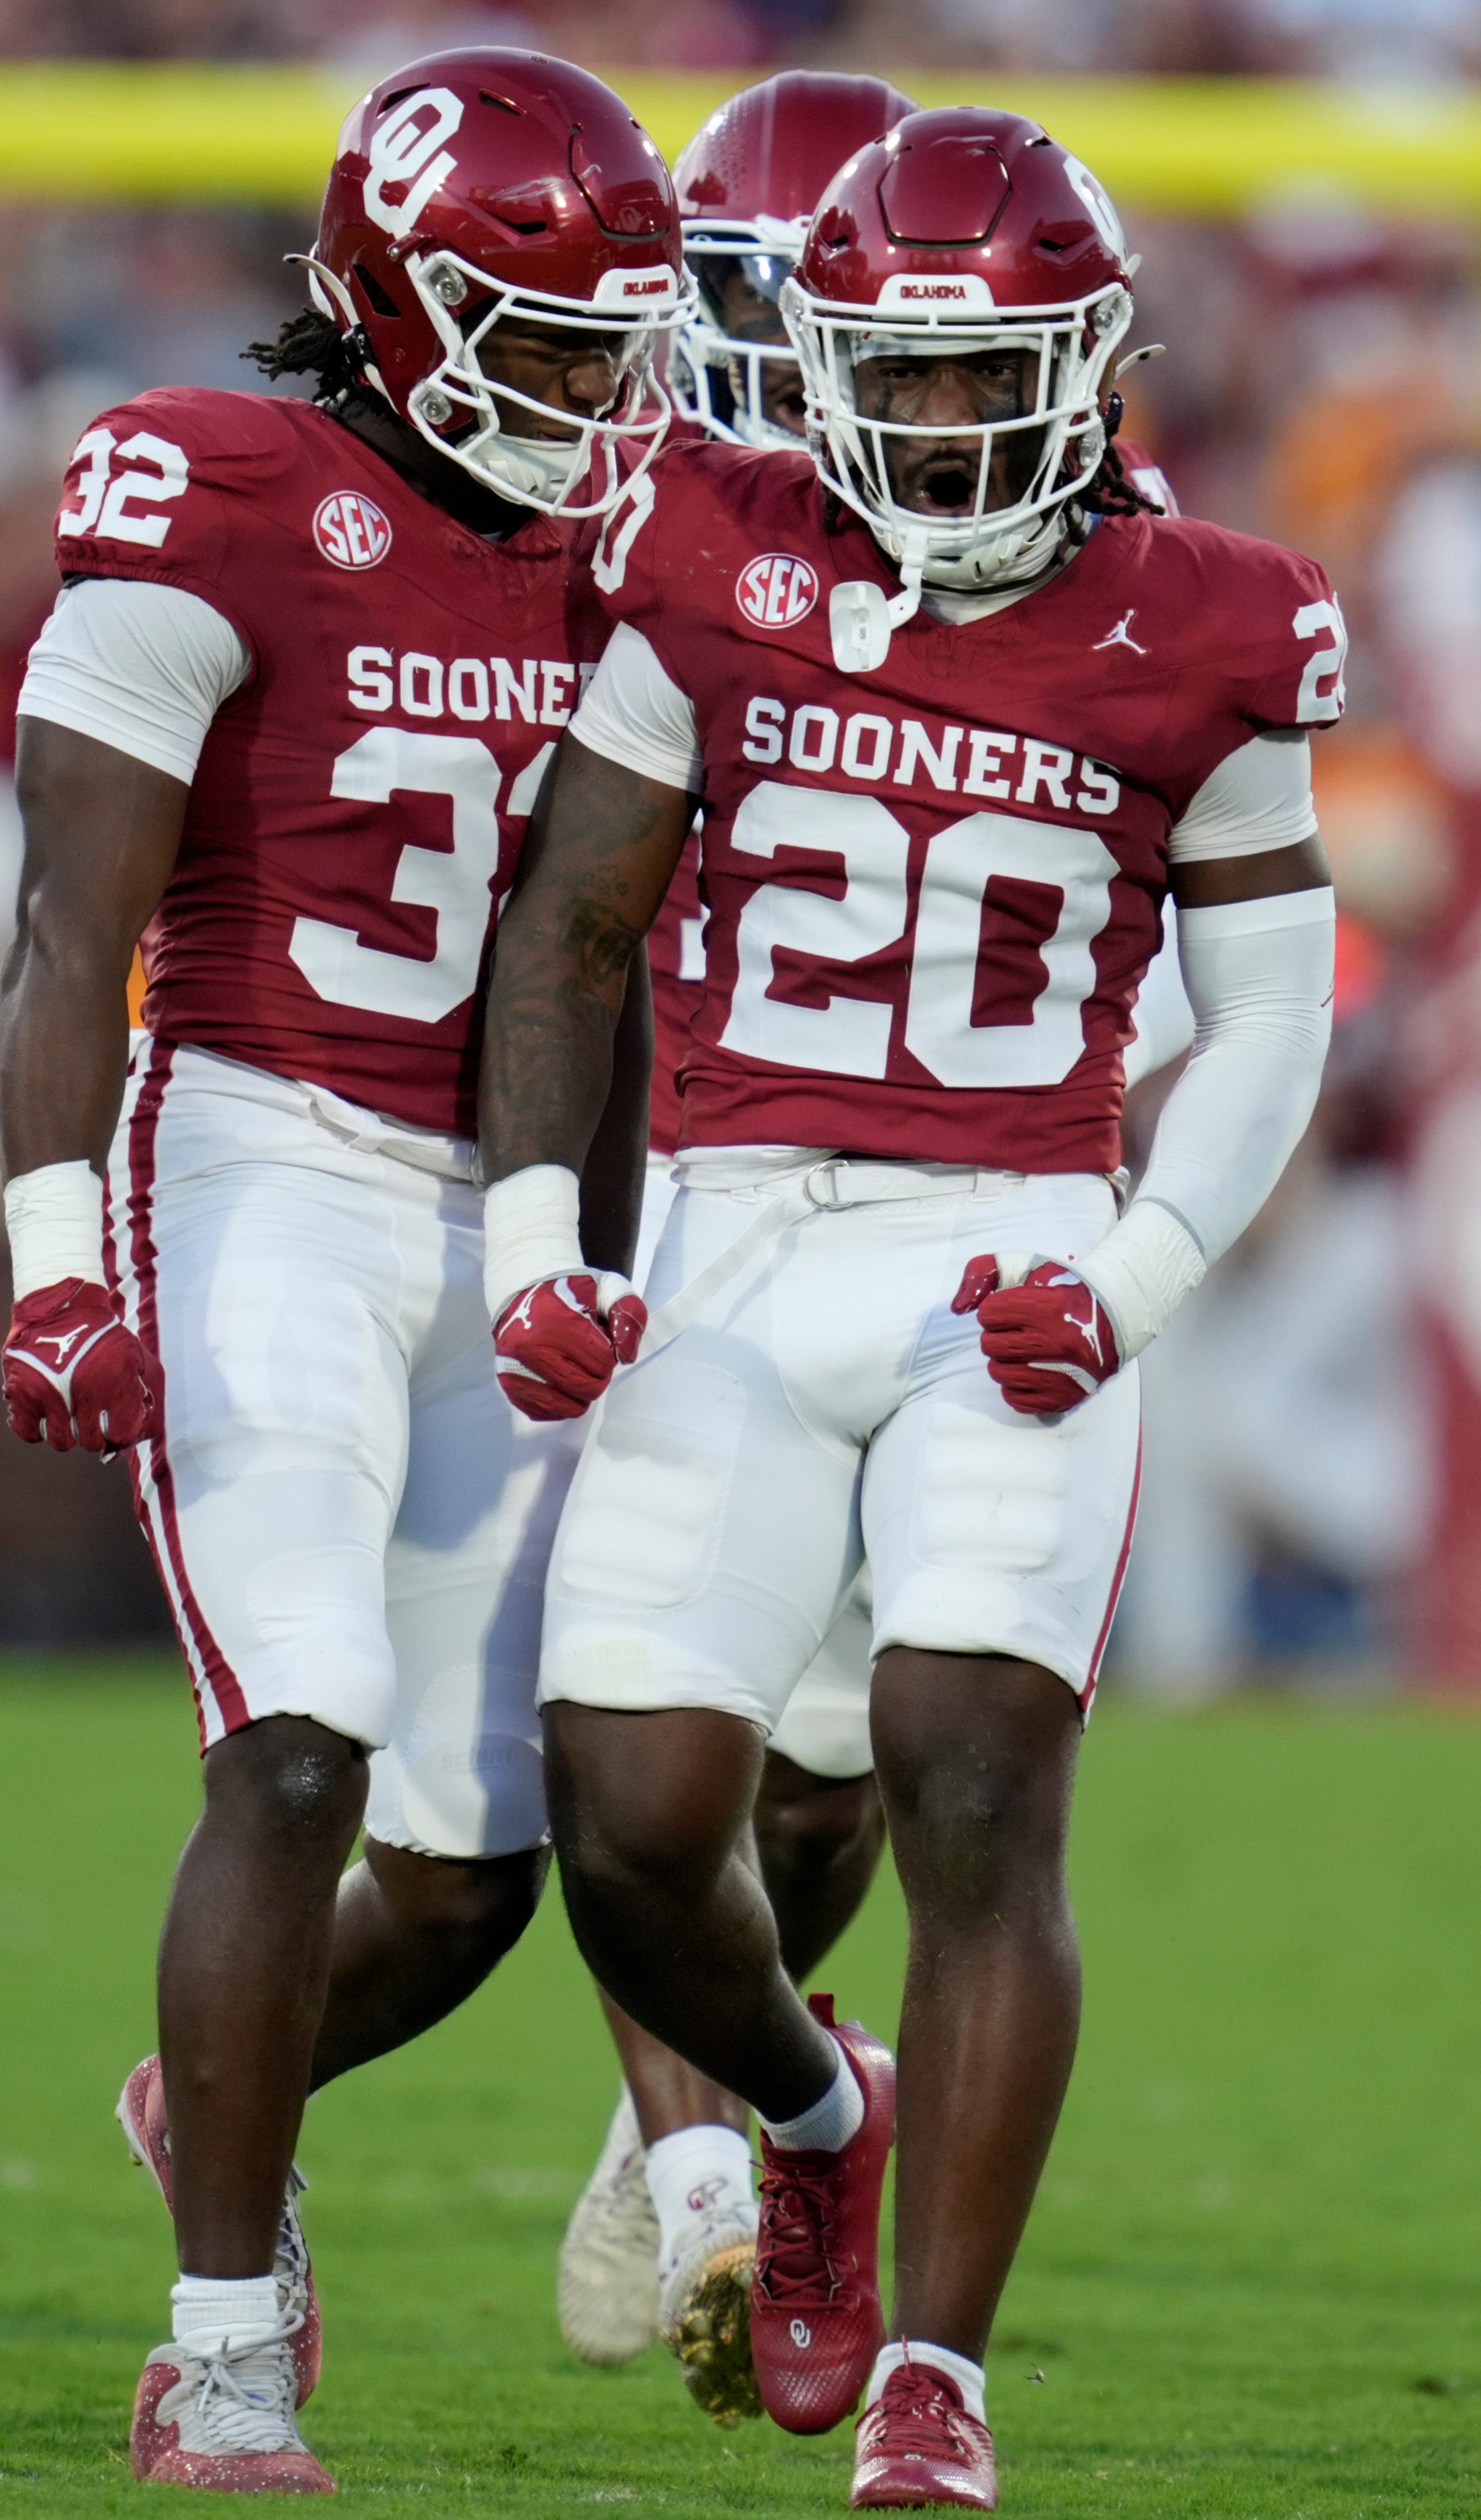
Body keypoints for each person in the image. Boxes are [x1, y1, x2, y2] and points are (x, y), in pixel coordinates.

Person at [478, 107, 1344, 2510]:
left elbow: (1273, 1011)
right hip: (745, 1228)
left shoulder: (1210, 616)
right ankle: (809, 2111)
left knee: (967, 1761)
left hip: (1012, 1244)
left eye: (991, 381)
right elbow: (568, 919)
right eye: (901, 375)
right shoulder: (709, 544)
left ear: (1086, 365)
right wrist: (537, 1240)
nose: (943, 427)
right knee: (637, 1818)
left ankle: (934, 2384)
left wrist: (1141, 1276)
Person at [0, 50, 684, 2493]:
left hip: (487, 1192)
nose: (601, 389)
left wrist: (597, 1245)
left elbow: (603, 958)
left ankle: (201, 2104)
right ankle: (223, 2338)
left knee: (485, 1868)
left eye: (627, 337)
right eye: (553, 331)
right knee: (291, 1745)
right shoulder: (213, 483)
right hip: (262, 1156)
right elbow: (74, 922)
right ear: (401, 305)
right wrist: (57, 1254)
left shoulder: (624, 535)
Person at [550, 64, 920, 2419]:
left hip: (926, 1200)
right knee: (615, 1741)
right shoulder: (600, 503)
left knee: (827, 1767)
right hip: (650, 1178)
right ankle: (717, 2176)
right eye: (724, 305)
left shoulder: (1048, 530)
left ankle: (696, 2079)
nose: (754, 355)